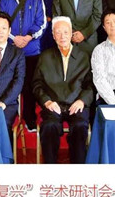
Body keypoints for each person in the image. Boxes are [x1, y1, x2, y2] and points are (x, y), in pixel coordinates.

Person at [33, 16, 94, 164]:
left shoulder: (84, 56)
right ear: (53, 36)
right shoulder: (45, 56)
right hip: (53, 105)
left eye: (66, 32)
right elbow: (36, 84)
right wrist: (47, 101)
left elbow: (91, 85)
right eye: (58, 32)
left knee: (80, 126)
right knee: (49, 126)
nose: (62, 36)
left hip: (77, 104)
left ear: (71, 33)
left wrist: (82, 101)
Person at [0, 0, 46, 131]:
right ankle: (10, 119)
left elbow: (41, 23)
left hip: (32, 50)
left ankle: (29, 119)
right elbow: (0, 22)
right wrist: (13, 38)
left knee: (30, 86)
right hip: (10, 49)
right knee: (9, 85)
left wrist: (28, 37)